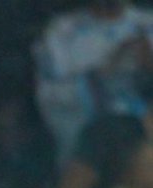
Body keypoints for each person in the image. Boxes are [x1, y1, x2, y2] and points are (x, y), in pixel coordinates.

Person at [34, 0, 153, 164]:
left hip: (144, 147)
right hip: (86, 149)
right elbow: (52, 97)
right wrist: (100, 75)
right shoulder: (62, 31)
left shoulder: (147, 24)